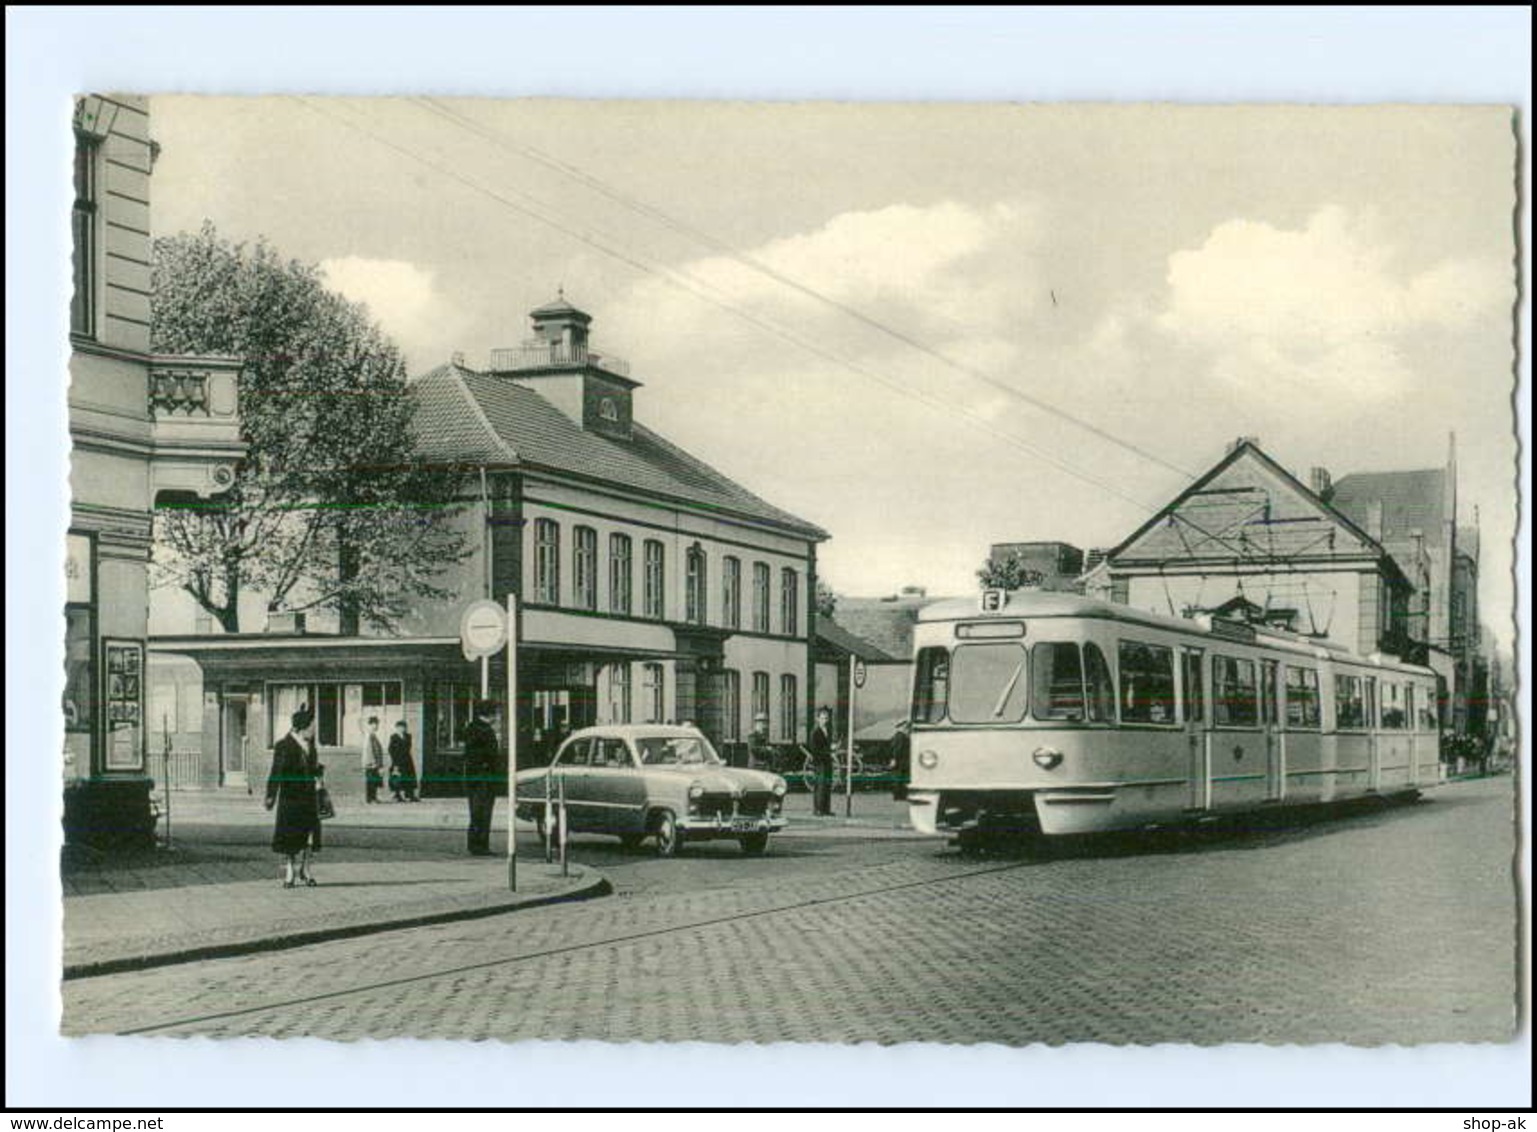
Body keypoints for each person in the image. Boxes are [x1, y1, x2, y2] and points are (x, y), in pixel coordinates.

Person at [265, 705, 323, 888]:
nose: (314, 730)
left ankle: (306, 869)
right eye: (311, 727)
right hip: (291, 798)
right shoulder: (284, 745)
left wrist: (319, 775)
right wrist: (270, 795)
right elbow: (276, 772)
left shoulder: (311, 746)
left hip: (309, 797)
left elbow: (314, 767)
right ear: (301, 728)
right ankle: (290, 870)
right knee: (290, 836)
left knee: (309, 836)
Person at [462, 698, 503, 856]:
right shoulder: (482, 730)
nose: (497, 717)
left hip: (477, 777)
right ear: (489, 714)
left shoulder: (474, 728)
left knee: (478, 811)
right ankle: (479, 844)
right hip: (482, 778)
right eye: (495, 713)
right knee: (482, 811)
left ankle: (477, 843)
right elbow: (480, 755)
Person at [809, 705, 836, 816]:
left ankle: (826, 809)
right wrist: (829, 751)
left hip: (827, 761)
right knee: (820, 786)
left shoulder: (827, 730)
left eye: (827, 718)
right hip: (820, 763)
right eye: (823, 718)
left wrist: (831, 749)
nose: (825, 720)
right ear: (818, 719)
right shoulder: (815, 732)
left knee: (827, 785)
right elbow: (815, 750)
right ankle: (818, 809)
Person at [388, 720, 419, 802]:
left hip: (407, 760)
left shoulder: (408, 736)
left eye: (404, 727)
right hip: (397, 761)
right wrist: (395, 761)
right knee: (397, 778)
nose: (402, 729)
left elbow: (408, 747)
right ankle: (397, 795)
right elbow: (391, 749)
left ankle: (410, 795)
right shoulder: (393, 737)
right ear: (397, 728)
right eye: (400, 727)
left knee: (409, 777)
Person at [362, 716, 385, 804]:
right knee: (371, 780)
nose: (375, 726)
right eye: (373, 724)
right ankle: (370, 798)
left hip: (374, 762)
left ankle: (373, 797)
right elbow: (369, 750)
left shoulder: (373, 735)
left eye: (376, 724)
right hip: (371, 763)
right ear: (369, 725)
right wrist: (373, 762)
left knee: (374, 780)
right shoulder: (369, 736)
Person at [887, 719, 912, 801]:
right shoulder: (901, 737)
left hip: (900, 760)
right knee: (900, 778)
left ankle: (898, 795)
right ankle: (899, 795)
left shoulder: (897, 736)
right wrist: (895, 758)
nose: (907, 729)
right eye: (906, 727)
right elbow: (898, 749)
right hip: (902, 761)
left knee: (898, 778)